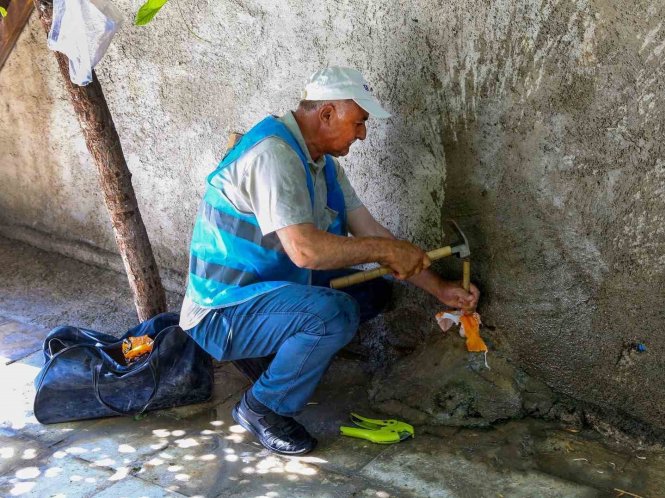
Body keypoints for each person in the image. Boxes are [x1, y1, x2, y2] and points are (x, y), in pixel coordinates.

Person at [180, 67, 480, 455]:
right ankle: (262, 408)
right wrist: (386, 251)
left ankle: (267, 361)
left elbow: (370, 230)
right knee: (333, 313)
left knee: (372, 292)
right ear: (326, 115)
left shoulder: (322, 165)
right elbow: (307, 252)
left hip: (266, 292)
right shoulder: (274, 155)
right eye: (358, 123)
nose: (362, 134)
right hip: (221, 312)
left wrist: (441, 289)